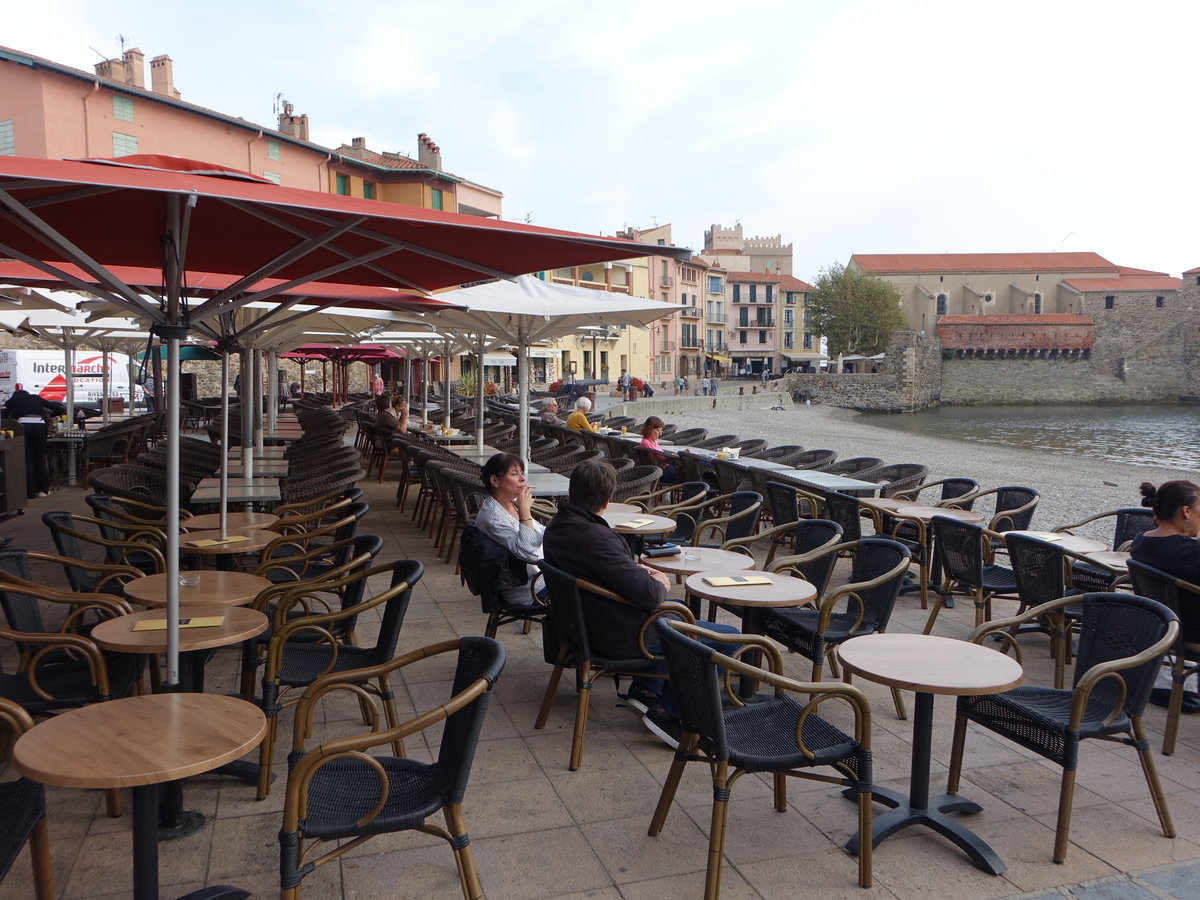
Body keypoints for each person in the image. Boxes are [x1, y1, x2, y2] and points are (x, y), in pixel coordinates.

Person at [543, 461, 738, 747]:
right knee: (729, 640)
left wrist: (634, 572)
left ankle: (646, 691)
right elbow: (648, 596)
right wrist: (659, 581)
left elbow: (605, 572)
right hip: (618, 636)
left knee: (672, 613)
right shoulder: (596, 537)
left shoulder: (557, 527)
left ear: (573, 492)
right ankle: (668, 713)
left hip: (582, 625)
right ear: (607, 502)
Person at [1131, 480, 1200, 710]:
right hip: (1190, 635)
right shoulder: (1191, 552)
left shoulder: (1142, 541)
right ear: (1186, 511)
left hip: (1163, 628)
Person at [476, 453, 546, 606]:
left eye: (522, 473)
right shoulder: (493, 517)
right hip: (530, 588)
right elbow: (529, 553)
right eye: (514, 474)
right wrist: (525, 511)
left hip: (545, 575)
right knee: (590, 589)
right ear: (495, 481)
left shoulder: (512, 503)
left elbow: (540, 531)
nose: (522, 478)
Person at [3, 384, 64, 499]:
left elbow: (4, 417)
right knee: (39, 458)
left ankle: (30, 492)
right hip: (40, 426)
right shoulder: (36, 398)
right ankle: (43, 490)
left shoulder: (12, 400)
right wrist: (48, 415)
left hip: (23, 426)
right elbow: (59, 408)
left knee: (27, 458)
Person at [639, 416, 677, 484]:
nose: (660, 434)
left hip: (661, 470)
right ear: (650, 429)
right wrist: (672, 456)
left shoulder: (651, 441)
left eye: (660, 431)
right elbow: (661, 457)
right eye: (658, 430)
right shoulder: (646, 443)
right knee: (690, 474)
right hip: (663, 472)